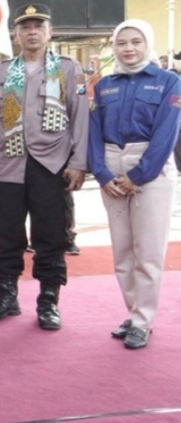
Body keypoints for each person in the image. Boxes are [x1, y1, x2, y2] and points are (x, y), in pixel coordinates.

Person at [0, 4, 88, 331]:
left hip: (51, 165)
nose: (31, 32)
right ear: (16, 33)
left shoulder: (68, 69)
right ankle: (7, 295)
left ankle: (48, 301)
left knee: (51, 235)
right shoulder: (2, 72)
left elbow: (80, 117)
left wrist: (79, 162)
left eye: (38, 26)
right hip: (8, 163)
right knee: (5, 233)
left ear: (49, 32)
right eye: (25, 27)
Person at [88, 19, 181, 349]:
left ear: (148, 44)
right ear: (114, 47)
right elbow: (93, 132)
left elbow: (166, 134)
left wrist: (138, 175)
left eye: (136, 42)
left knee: (149, 252)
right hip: (112, 167)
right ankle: (135, 312)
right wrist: (100, 173)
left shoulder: (169, 81)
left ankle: (143, 321)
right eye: (122, 42)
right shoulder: (103, 85)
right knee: (123, 253)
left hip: (150, 169)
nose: (128, 48)